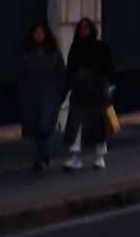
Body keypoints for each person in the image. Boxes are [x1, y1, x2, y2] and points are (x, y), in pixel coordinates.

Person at [63, 17, 116, 169]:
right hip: (80, 91)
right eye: (81, 27)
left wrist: (110, 89)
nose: (83, 30)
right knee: (77, 126)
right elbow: (70, 70)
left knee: (98, 126)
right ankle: (76, 157)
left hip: (96, 91)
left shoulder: (100, 46)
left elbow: (109, 69)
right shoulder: (76, 47)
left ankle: (99, 157)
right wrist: (67, 88)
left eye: (86, 27)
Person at [17, 24, 66, 171]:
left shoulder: (54, 54)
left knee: (44, 126)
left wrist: (60, 93)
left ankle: (42, 157)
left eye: (41, 33)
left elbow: (61, 73)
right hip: (32, 97)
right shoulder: (27, 54)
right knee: (37, 127)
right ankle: (43, 157)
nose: (39, 36)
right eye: (36, 33)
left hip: (50, 96)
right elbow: (21, 75)